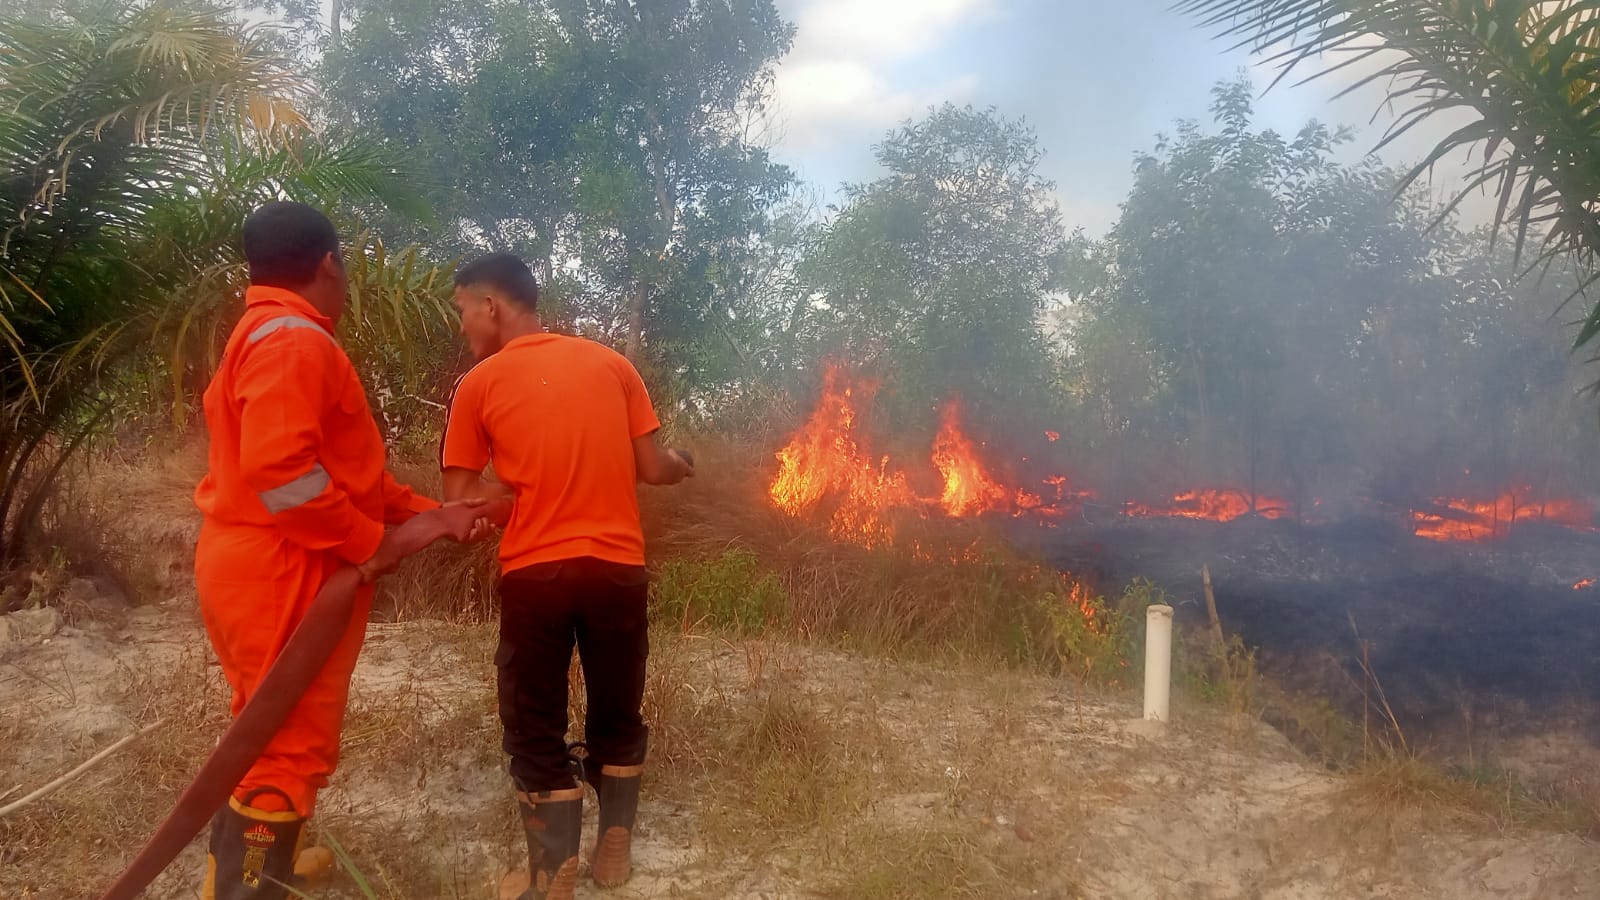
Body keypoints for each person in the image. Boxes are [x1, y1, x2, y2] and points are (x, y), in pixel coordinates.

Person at [194, 201, 480, 899]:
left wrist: (433, 514)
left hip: (258, 561)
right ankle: (252, 887)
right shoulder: (295, 341)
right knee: (290, 743)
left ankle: (245, 870)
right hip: (281, 566)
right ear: (328, 263)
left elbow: (347, 475)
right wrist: (369, 545)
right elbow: (284, 476)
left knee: (261, 724)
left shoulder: (267, 331)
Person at [439, 252, 693, 900]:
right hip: (617, 571)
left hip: (538, 575)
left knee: (535, 721)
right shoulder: (613, 366)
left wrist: (516, 495)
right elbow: (654, 468)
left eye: (464, 309)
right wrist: (682, 462)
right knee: (617, 709)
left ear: (491, 306)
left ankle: (550, 875)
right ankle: (614, 850)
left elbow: (462, 502)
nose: (463, 323)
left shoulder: (480, 384)